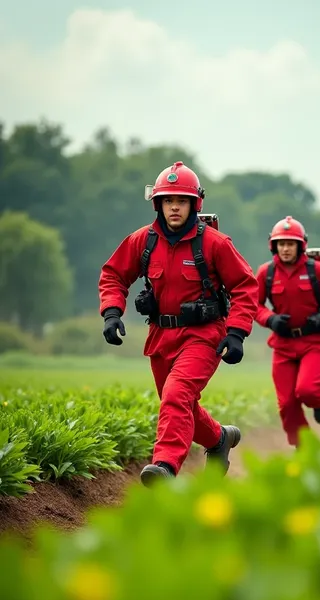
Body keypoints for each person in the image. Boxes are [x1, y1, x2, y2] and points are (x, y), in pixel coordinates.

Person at [98, 161, 258, 486]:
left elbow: (245, 286)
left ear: (194, 204)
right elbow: (113, 275)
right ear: (158, 203)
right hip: (160, 335)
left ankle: (165, 467)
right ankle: (219, 439)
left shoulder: (215, 243)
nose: (174, 207)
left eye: (181, 201)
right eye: (168, 200)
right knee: (179, 402)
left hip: (203, 335)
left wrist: (237, 332)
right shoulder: (143, 241)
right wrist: (112, 312)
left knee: (176, 394)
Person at [255, 216, 320, 447]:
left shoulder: (317, 270)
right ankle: (304, 446)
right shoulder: (265, 273)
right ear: (274, 246)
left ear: (301, 246)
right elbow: (253, 304)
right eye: (281, 244)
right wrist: (270, 319)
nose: (286, 249)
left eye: (291, 244)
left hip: (314, 341)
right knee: (287, 403)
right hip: (283, 344)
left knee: (308, 390)